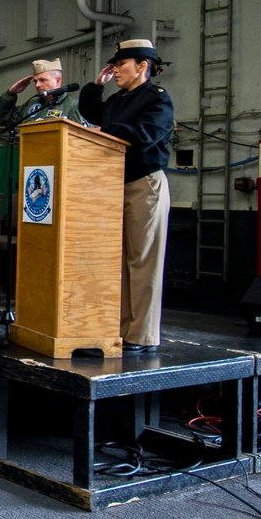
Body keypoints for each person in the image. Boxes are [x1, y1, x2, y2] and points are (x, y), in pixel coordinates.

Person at [79, 39, 173, 355]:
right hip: (115, 184)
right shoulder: (119, 99)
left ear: (142, 66)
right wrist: (96, 86)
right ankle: (120, 329)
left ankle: (142, 335)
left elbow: (145, 135)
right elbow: (91, 111)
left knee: (143, 261)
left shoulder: (157, 99)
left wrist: (107, 130)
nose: (115, 69)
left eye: (121, 64)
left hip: (144, 184)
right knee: (118, 262)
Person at [0, 59, 86, 127]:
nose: (37, 85)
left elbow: (81, 138)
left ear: (58, 81)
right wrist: (11, 93)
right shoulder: (31, 104)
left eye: (42, 80)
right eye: (35, 81)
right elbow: (3, 118)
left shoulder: (73, 105)